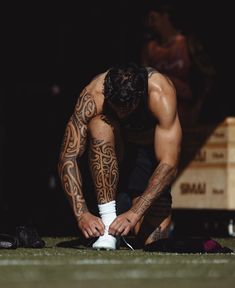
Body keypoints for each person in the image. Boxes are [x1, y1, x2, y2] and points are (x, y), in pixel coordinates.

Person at [58, 63, 182, 250]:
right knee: (100, 125)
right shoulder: (94, 94)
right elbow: (68, 156)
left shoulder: (160, 93)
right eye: (116, 106)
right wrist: (81, 213)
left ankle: (126, 214)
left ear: (140, 96)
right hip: (112, 152)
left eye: (127, 107)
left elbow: (169, 164)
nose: (121, 113)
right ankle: (108, 224)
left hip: (147, 156)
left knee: (153, 244)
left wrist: (134, 213)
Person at [141, 1, 215, 128]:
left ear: (165, 15)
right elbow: (142, 84)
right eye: (147, 19)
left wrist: (198, 107)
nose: (149, 23)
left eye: (153, 18)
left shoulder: (188, 43)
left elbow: (210, 76)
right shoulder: (148, 49)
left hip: (186, 117)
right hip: (158, 119)